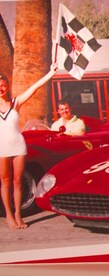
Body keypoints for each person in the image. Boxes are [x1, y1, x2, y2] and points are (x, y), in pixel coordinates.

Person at [1, 63, 58, 230]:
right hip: (1, 148)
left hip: (18, 145)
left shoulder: (15, 103)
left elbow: (34, 88)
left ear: (7, 86)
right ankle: (9, 216)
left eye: (3, 86)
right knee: (5, 182)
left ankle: (18, 214)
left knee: (18, 181)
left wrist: (50, 73)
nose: (1, 89)